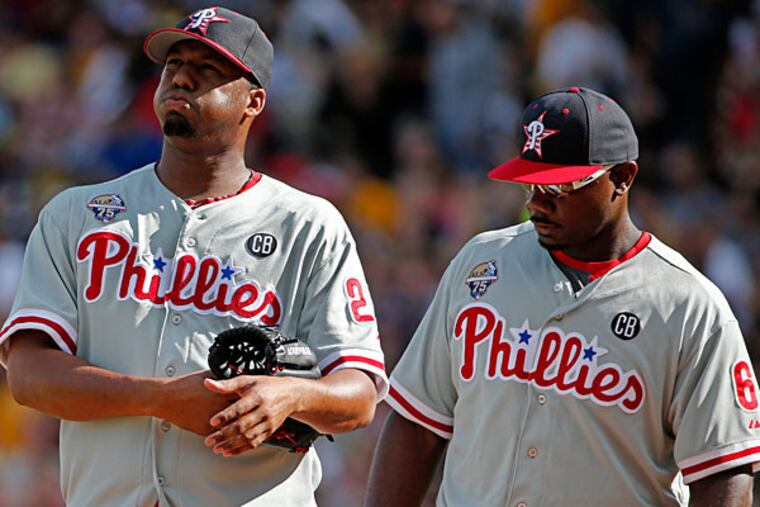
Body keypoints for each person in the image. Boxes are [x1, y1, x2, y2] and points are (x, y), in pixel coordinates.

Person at [0, 6, 387, 507]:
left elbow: (358, 395)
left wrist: (291, 396)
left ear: (253, 101)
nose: (181, 76)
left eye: (207, 70)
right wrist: (159, 399)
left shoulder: (308, 224)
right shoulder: (77, 216)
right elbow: (29, 376)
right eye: (174, 63)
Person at [364, 87, 760, 506]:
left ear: (622, 177)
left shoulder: (688, 307)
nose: (536, 202)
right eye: (530, 184)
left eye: (559, 186)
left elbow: (723, 472)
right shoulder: (481, 263)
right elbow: (417, 424)